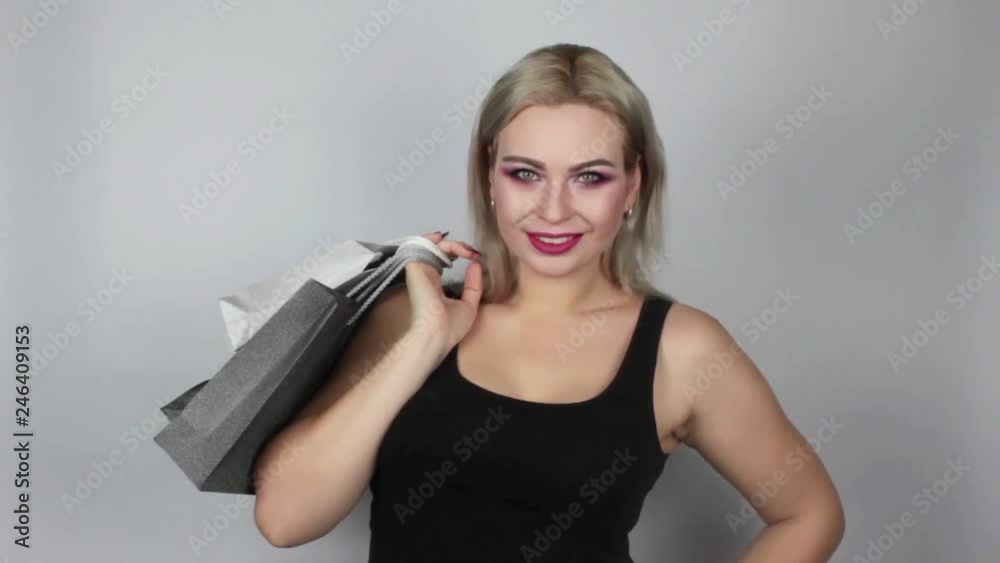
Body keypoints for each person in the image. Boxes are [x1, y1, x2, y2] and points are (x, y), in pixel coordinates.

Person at [251, 43, 845, 562]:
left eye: (590, 177)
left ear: (634, 184)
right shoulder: (410, 314)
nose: (554, 210)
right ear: (490, 175)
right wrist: (423, 343)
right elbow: (285, 521)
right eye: (526, 174)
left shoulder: (683, 349)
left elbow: (810, 513)